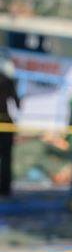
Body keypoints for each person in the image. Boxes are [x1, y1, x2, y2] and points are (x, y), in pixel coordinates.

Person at [0, 60, 20, 196]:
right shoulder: (7, 80)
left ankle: (5, 188)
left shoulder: (7, 80)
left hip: (6, 122)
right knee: (6, 158)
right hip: (6, 122)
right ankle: (5, 189)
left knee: (6, 158)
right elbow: (18, 103)